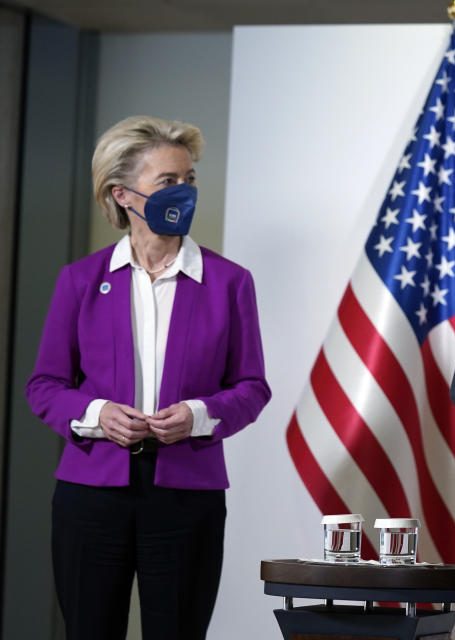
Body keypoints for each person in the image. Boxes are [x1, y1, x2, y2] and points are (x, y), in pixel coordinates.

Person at [25, 115, 271, 640]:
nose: (184, 192)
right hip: (91, 494)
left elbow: (252, 387)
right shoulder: (81, 281)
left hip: (187, 495)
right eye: (168, 182)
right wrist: (97, 415)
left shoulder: (230, 283)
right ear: (123, 194)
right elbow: (45, 385)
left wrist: (199, 415)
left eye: (190, 180)